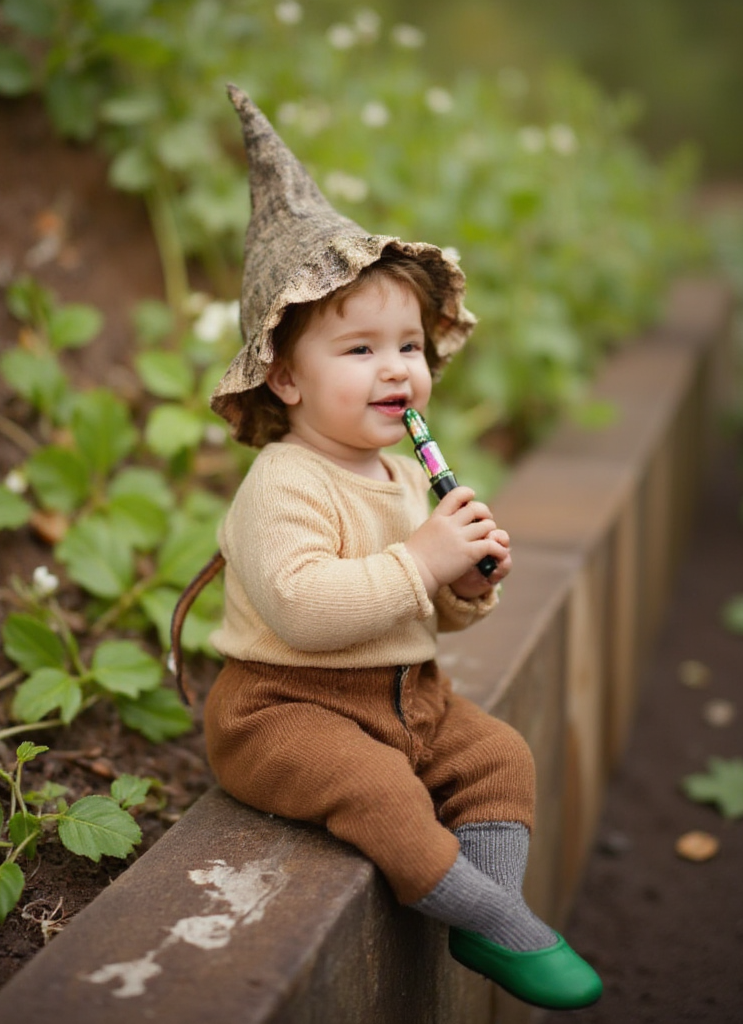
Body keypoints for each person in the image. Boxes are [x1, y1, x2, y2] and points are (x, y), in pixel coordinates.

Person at [200, 84, 601, 1011]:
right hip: (285, 708)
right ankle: (497, 922)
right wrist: (419, 558)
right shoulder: (285, 483)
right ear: (286, 378)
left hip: (407, 695)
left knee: (501, 756)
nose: (398, 368)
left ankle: (485, 911)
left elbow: (428, 609)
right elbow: (305, 609)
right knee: (382, 793)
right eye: (360, 350)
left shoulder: (400, 474)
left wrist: (464, 580)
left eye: (410, 345)